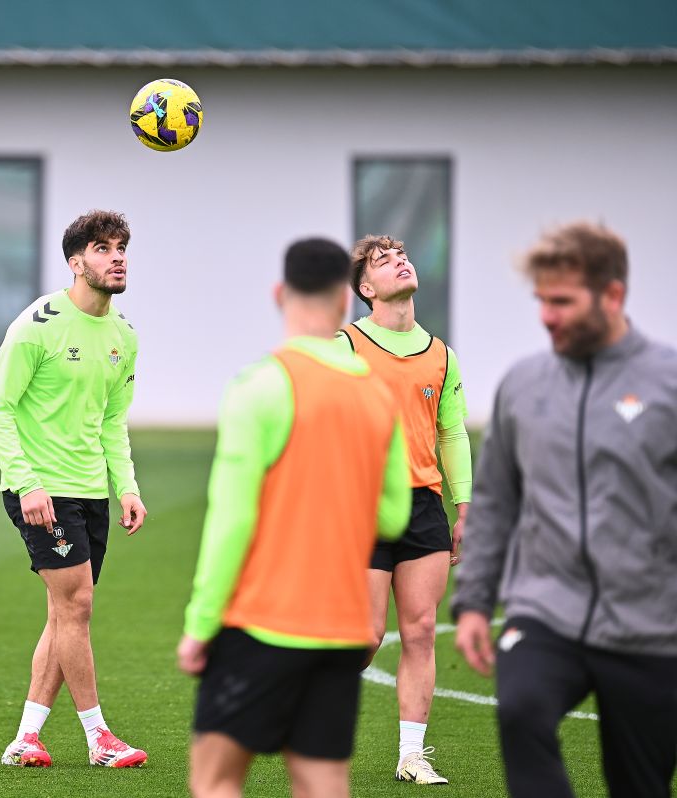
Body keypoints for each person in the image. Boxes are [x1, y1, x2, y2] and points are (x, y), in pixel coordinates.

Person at [178, 238, 411, 798]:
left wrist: (201, 624)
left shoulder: (258, 386)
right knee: (323, 783)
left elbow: (232, 521)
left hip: (262, 623)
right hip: (342, 629)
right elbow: (393, 516)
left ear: (280, 294)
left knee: (215, 778)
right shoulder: (378, 395)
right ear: (342, 298)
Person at [453, 221, 677, 798]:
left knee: (641, 785)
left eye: (563, 302)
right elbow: (498, 497)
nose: (547, 316)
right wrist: (475, 600)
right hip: (546, 609)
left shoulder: (667, 383)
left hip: (651, 625)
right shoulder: (524, 385)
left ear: (613, 296)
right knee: (521, 709)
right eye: (541, 301)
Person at [0, 209, 149, 769]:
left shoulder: (123, 335)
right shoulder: (37, 325)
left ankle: (26, 739)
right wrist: (27, 484)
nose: (117, 256)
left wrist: (126, 486)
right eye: (103, 248)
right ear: (76, 262)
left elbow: (112, 422)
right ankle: (98, 736)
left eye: (122, 246)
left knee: (64, 613)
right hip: (40, 493)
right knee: (76, 606)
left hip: (89, 491)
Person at [337, 234, 472, 784]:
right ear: (366, 289)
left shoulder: (441, 355)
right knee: (367, 636)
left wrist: (465, 507)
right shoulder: (344, 345)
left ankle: (411, 756)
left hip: (423, 507)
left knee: (419, 631)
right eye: (384, 261)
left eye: (403, 256)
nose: (401, 262)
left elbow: (452, 431)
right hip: (361, 506)